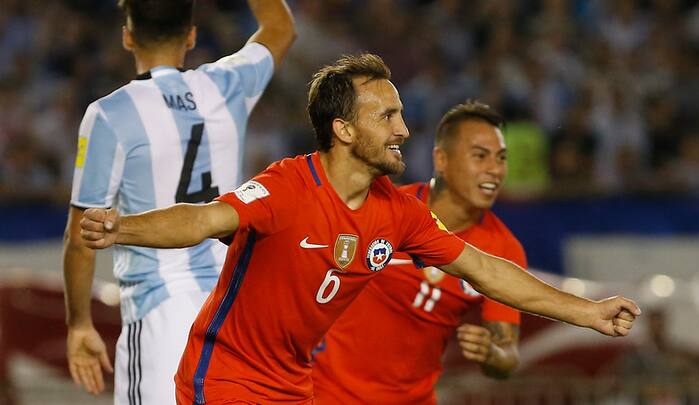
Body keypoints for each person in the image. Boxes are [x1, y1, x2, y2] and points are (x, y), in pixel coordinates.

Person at [80, 53, 641, 405]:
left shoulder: (398, 213)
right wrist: (121, 228)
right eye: (387, 117)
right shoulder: (287, 187)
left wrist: (587, 312)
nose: (403, 127)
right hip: (226, 377)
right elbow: (203, 219)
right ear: (344, 130)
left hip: (294, 387)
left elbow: (485, 270)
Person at [63, 0, 295, 404]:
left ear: (127, 36)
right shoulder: (226, 86)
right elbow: (279, 27)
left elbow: (83, 234)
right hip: (232, 310)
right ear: (191, 36)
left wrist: (79, 323)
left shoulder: (109, 113)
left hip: (160, 312)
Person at [312, 101, 527, 405]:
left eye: (501, 158)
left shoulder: (503, 249)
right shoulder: (384, 207)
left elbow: (508, 353)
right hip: (325, 393)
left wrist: (493, 354)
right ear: (441, 159)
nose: (495, 169)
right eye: (480, 156)